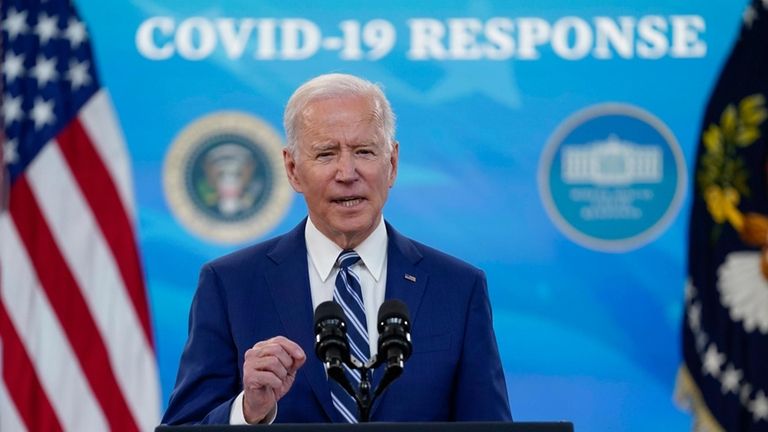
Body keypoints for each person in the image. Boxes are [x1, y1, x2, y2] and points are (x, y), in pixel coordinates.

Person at [161, 73, 512, 424]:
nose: (347, 172)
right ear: (293, 169)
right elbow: (184, 426)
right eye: (326, 154)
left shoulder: (457, 288)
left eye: (364, 151)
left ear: (391, 163)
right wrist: (247, 412)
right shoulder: (230, 285)